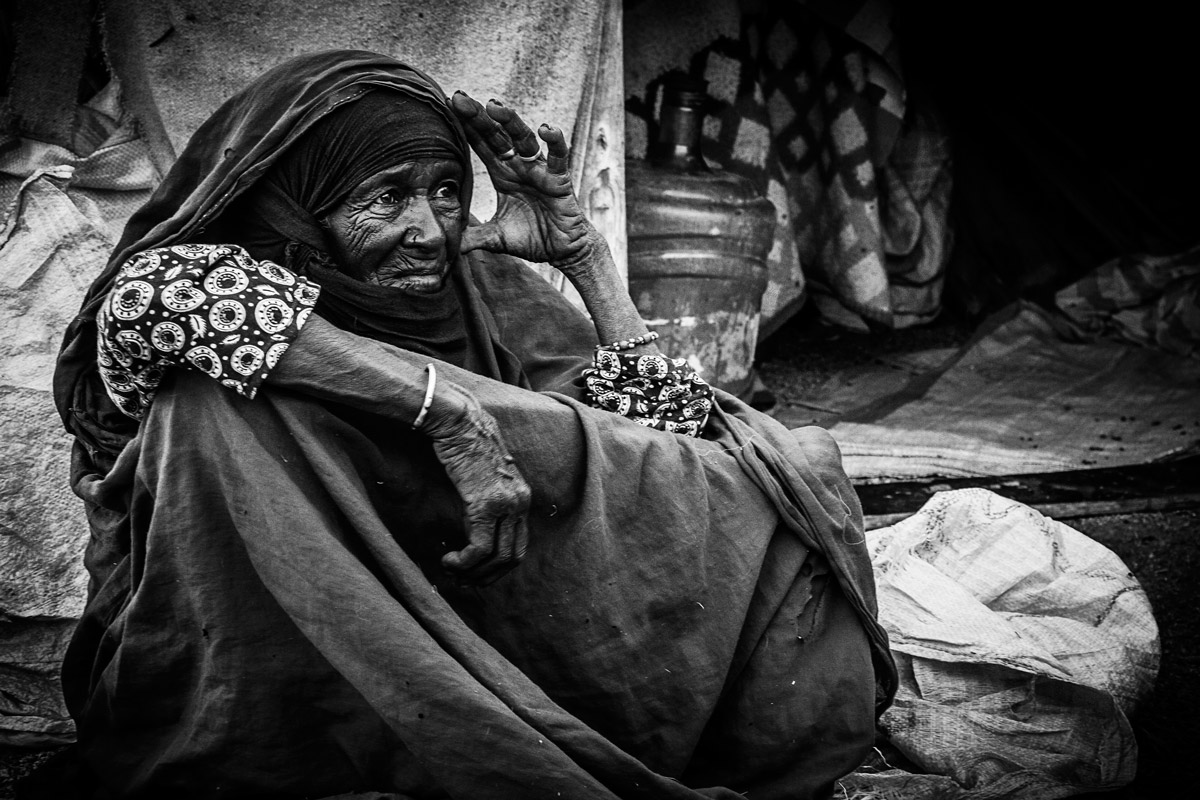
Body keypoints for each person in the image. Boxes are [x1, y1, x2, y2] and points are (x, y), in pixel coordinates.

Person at [50, 50, 896, 800]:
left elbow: (671, 450)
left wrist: (584, 259)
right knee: (216, 407)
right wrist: (447, 412)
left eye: (447, 191)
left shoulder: (485, 294)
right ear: (296, 205)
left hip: (502, 648)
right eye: (386, 198)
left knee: (765, 475)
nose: (429, 230)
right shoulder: (201, 296)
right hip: (262, 685)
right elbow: (157, 294)